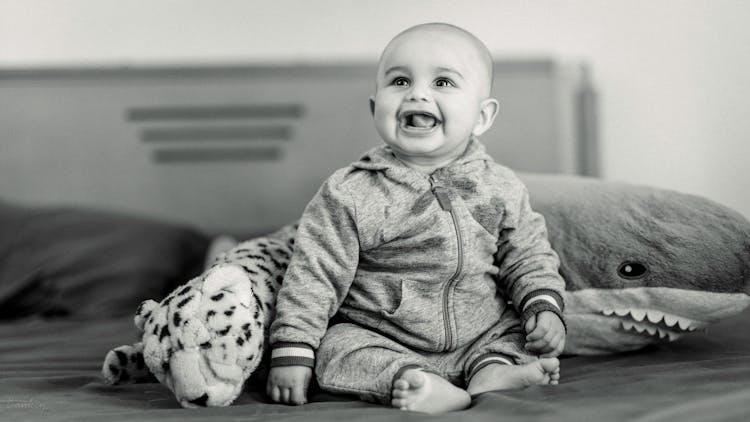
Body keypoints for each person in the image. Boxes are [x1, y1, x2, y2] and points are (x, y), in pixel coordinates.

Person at [266, 22, 566, 414]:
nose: (418, 93)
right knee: (337, 349)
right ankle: (416, 381)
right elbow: (314, 273)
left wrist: (543, 307)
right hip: (382, 336)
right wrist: (293, 346)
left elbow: (528, 256)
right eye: (400, 81)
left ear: (482, 116)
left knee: (517, 336)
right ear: (376, 108)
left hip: (480, 330)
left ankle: (491, 371)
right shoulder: (349, 192)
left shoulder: (500, 188)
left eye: (443, 82)